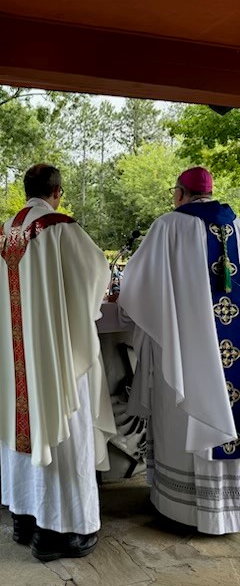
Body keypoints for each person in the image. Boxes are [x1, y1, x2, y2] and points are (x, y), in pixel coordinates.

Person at [0, 163, 115, 562]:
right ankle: (62, 533)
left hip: (20, 358)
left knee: (23, 426)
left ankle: (25, 518)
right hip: (55, 356)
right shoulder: (58, 225)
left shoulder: (7, 231)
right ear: (57, 191)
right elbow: (94, 273)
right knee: (65, 433)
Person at [118, 166, 240, 535]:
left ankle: (184, 509)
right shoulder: (236, 225)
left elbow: (136, 287)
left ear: (181, 193)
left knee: (182, 414)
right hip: (230, 351)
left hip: (186, 350)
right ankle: (228, 510)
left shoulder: (169, 225)